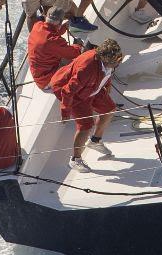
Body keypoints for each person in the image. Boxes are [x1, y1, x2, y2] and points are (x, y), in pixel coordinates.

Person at [49, 38, 124, 172]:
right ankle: (75, 160)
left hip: (93, 86)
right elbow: (67, 91)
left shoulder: (108, 62)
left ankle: (95, 141)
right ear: (105, 59)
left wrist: (106, 84)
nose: (118, 64)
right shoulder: (86, 69)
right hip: (76, 95)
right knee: (85, 126)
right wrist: (65, 112)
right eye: (115, 63)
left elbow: (107, 73)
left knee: (109, 109)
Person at [27, 6, 83, 91]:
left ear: (46, 17)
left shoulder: (37, 26)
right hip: (46, 82)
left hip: (39, 74)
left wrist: (64, 26)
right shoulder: (54, 41)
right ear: (60, 22)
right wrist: (79, 45)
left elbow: (49, 32)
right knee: (82, 63)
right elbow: (75, 53)